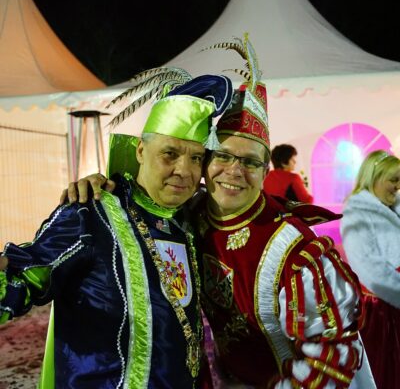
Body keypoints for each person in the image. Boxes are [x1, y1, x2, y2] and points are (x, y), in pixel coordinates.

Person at [68, 34, 373, 388]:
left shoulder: (295, 252)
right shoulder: (191, 213)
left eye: (250, 162)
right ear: (206, 163)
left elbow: (332, 356)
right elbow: (144, 193)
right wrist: (100, 183)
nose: (234, 171)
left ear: (266, 172)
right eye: (223, 156)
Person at [0, 69, 233, 388]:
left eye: (196, 158)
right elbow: (26, 276)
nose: (184, 170)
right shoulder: (91, 212)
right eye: (170, 154)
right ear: (140, 151)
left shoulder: (187, 221)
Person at [340, 150, 400, 389]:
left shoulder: (390, 207)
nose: (398, 186)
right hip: (382, 309)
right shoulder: (358, 215)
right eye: (394, 180)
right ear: (374, 178)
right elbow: (369, 270)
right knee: (385, 371)